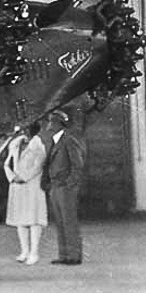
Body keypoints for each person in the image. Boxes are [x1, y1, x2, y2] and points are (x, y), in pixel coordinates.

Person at [42, 109, 86, 265]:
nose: (48, 124)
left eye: (51, 121)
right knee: (60, 221)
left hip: (64, 188)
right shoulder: (55, 141)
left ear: (58, 124)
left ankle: (74, 256)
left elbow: (77, 165)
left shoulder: (68, 140)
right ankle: (64, 255)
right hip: (55, 187)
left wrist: (69, 184)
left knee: (69, 221)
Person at [2, 123, 47, 265]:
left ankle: (34, 253)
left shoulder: (38, 145)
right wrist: (12, 177)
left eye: (26, 129)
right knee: (20, 219)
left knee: (34, 219)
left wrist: (24, 177)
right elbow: (7, 162)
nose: (23, 132)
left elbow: (38, 166)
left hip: (32, 185)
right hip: (17, 185)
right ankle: (24, 251)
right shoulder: (15, 144)